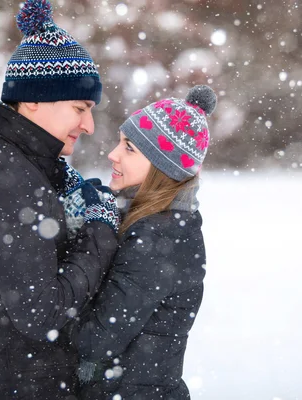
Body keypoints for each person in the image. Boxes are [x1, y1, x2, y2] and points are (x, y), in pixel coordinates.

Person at [0, 0, 119, 398]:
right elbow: (41, 313)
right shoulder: (3, 174)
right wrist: (99, 231)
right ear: (34, 98)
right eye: (80, 108)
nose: (88, 124)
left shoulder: (18, 163)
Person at [71, 85, 217, 399]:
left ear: (162, 169)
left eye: (130, 148)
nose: (113, 154)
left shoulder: (159, 237)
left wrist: (47, 307)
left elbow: (96, 340)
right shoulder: (154, 222)